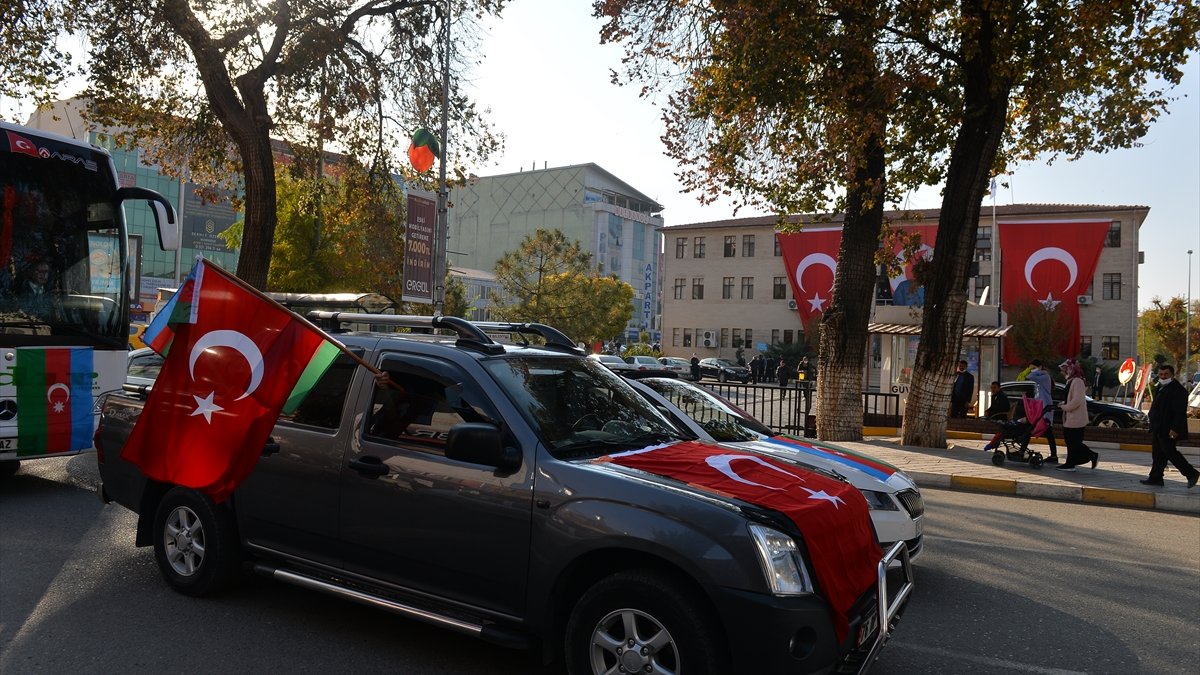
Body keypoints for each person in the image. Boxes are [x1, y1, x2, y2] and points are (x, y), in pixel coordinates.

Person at [1141, 364, 1198, 488]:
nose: (1163, 376)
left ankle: (1191, 473)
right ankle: (1155, 477)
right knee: (1158, 453)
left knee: (1170, 452)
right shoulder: (1161, 387)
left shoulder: (1178, 390)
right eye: (1161, 374)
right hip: (1158, 426)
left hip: (1168, 428)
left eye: (1166, 374)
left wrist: (1175, 428)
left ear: (1172, 375)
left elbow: (1179, 412)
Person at [1057, 359, 1099, 471]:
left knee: (1074, 442)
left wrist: (1065, 407)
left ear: (1070, 369)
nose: (1063, 372)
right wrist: (1063, 404)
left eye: (1064, 369)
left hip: (1076, 418)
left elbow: (1077, 400)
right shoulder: (1071, 381)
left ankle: (1088, 456)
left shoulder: (1077, 382)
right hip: (1070, 417)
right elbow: (1069, 398)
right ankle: (1070, 463)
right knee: (1071, 442)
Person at [1021, 359, 1060, 464]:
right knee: (1045, 432)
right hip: (1040, 408)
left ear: (1040, 367)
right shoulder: (1041, 377)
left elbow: (1030, 376)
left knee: (1038, 430)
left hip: (1045, 408)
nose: (1032, 370)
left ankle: (1022, 451)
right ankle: (1053, 456)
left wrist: (1032, 370)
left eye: (1034, 367)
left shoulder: (1044, 376)